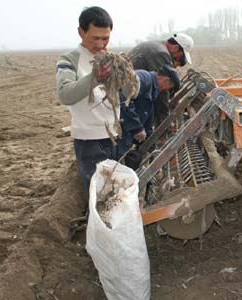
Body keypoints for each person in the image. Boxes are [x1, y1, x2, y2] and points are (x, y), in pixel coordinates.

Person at [56, 7, 125, 195]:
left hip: (113, 135)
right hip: (89, 140)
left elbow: (125, 93)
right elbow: (65, 94)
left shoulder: (110, 59)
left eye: (106, 38)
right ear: (81, 32)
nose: (101, 44)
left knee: (113, 189)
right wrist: (95, 77)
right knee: (98, 192)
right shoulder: (70, 60)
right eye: (95, 38)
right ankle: (94, 222)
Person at [118, 65, 180, 169]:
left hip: (125, 131)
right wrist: (136, 128)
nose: (165, 91)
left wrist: (152, 147)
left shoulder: (151, 89)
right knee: (115, 164)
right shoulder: (143, 78)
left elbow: (147, 122)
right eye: (168, 88)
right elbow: (123, 100)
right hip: (116, 131)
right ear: (166, 81)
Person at [128, 33, 194, 126]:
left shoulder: (157, 45)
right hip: (131, 92)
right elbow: (161, 88)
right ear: (175, 48)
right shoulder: (162, 53)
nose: (179, 58)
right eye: (181, 55)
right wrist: (165, 119)